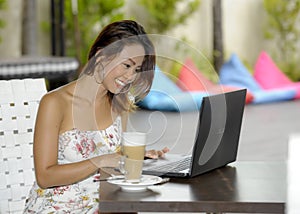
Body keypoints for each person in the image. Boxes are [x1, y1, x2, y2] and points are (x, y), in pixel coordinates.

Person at [24, 20, 169, 213]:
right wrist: (100, 161)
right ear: (101, 56)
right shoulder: (55, 103)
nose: (130, 77)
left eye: (136, 70)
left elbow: (115, 161)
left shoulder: (121, 103)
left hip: (104, 204)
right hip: (56, 207)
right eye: (126, 65)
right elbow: (45, 176)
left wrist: (137, 157)